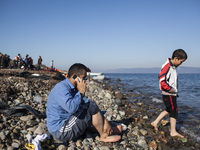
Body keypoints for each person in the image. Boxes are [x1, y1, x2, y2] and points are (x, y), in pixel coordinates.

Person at [46, 63, 122, 143]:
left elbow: (87, 103)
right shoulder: (62, 89)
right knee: (90, 107)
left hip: (69, 122)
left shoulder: (74, 88)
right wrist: (81, 92)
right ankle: (103, 136)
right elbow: (72, 109)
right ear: (75, 77)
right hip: (61, 130)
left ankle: (108, 130)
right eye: (84, 78)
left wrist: (104, 120)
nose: (85, 81)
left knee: (89, 109)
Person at [151, 49, 187, 138]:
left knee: (168, 109)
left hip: (170, 93)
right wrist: (170, 89)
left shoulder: (172, 66)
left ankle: (155, 122)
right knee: (174, 111)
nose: (181, 64)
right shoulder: (167, 66)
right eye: (181, 62)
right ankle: (173, 131)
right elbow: (161, 79)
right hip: (169, 93)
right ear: (175, 58)